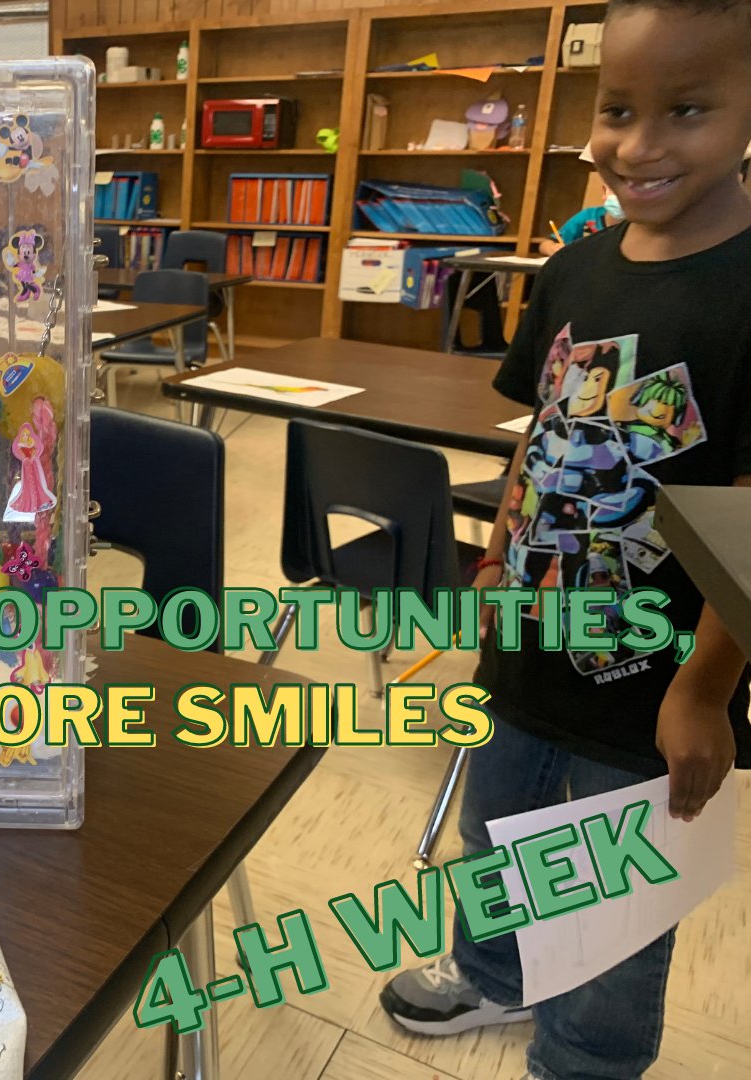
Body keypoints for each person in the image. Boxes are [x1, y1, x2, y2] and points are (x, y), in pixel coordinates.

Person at [380, 1, 751, 1078]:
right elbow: (537, 443)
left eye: (686, 110)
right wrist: (493, 576)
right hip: (527, 644)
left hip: (650, 683)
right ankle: (493, 976)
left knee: (612, 901)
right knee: (493, 837)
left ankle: (583, 1059)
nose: (639, 146)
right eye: (619, 108)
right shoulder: (576, 270)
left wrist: (704, 692)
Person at [539, 182, 624, 255]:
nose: (621, 197)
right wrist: (552, 248)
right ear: (605, 191)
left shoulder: (636, 226)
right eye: (615, 190)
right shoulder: (588, 217)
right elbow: (545, 245)